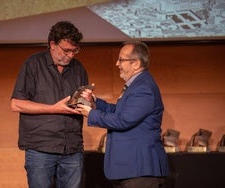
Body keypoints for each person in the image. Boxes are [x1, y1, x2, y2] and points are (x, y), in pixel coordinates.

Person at [77, 40, 169, 188]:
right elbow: (119, 112)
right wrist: (95, 102)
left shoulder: (143, 87)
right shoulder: (137, 85)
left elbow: (123, 120)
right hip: (131, 170)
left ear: (136, 64)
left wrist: (91, 113)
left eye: (121, 59)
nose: (117, 64)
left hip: (140, 170)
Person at [10, 21, 89, 188]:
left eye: (75, 50)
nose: (71, 55)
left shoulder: (79, 68)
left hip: (72, 148)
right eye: (66, 50)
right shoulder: (33, 64)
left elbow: (87, 106)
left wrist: (89, 101)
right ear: (52, 44)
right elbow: (16, 104)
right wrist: (54, 108)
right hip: (41, 148)